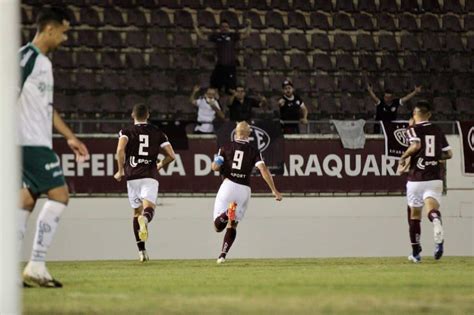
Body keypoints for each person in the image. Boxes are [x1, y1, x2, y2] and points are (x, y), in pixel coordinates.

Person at [19, 7, 90, 288]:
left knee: (25, 201)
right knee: (60, 195)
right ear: (49, 29)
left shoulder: (43, 63)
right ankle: (36, 265)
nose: (65, 38)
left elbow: (47, 109)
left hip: (34, 140)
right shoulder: (27, 58)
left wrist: (70, 137)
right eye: (64, 31)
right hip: (29, 142)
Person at [211, 121, 282, 264]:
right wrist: (274, 190)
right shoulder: (254, 151)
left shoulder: (225, 147)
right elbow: (263, 170)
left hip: (228, 185)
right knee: (233, 225)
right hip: (244, 190)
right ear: (249, 134)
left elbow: (215, 167)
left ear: (236, 132)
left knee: (218, 227)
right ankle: (222, 255)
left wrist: (216, 164)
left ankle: (226, 213)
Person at [114, 104, 176, 262]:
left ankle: (142, 251)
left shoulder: (126, 131)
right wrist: (160, 165)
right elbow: (171, 155)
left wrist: (120, 170)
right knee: (148, 210)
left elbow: (120, 151)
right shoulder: (157, 132)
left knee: (136, 213)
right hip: (149, 175)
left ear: (132, 115)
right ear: (148, 115)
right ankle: (146, 219)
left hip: (131, 176)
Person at [398, 101, 452, 263]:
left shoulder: (412, 129)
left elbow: (415, 145)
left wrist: (404, 156)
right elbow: (448, 154)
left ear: (414, 115)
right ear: (429, 114)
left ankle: (415, 253)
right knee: (431, 209)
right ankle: (435, 220)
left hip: (416, 178)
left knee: (414, 216)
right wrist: (433, 158)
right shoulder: (437, 130)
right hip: (435, 177)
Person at [194, 19, 252, 94]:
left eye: (226, 26)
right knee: (214, 86)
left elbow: (246, 35)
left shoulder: (233, 36)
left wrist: (249, 25)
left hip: (231, 66)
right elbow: (202, 36)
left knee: (231, 89)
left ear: (228, 27)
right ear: (220, 28)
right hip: (220, 65)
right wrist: (195, 26)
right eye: (223, 26)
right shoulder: (216, 36)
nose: (225, 28)